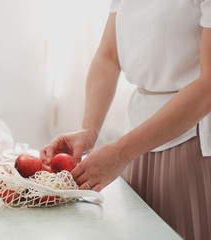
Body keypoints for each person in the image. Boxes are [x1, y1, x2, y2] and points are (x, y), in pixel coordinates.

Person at [40, 1, 211, 239]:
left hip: (193, 142)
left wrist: (121, 152)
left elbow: (208, 87)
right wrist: (89, 129)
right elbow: (109, 56)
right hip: (136, 141)